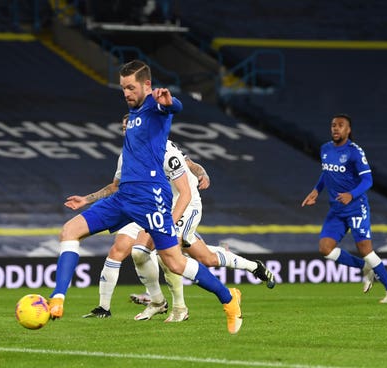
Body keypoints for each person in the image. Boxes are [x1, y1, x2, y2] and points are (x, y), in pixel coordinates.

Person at [48, 59, 244, 334]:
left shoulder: (154, 106)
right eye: (123, 88)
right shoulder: (134, 117)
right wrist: (87, 199)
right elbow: (116, 180)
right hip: (123, 195)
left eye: (131, 87)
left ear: (147, 85)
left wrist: (169, 100)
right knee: (69, 231)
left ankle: (228, 298)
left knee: (175, 262)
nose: (126, 93)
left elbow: (174, 107)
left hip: (151, 198)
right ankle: (57, 299)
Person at [70, 115, 274, 322]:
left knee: (166, 252)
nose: (126, 132)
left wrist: (202, 173)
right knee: (165, 255)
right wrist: (87, 199)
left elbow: (188, 176)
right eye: (123, 128)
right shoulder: (128, 155)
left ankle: (180, 308)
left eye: (130, 127)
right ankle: (252, 267)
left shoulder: (167, 151)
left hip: (185, 204)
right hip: (154, 206)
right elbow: (115, 186)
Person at [301, 114, 387, 303]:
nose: (336, 128)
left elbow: (368, 180)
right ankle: (365, 268)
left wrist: (351, 194)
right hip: (337, 209)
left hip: (356, 208)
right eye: (333, 125)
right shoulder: (325, 149)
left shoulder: (355, 152)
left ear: (348, 130)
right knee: (325, 249)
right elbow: (326, 172)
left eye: (340, 125)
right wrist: (316, 190)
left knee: (365, 250)